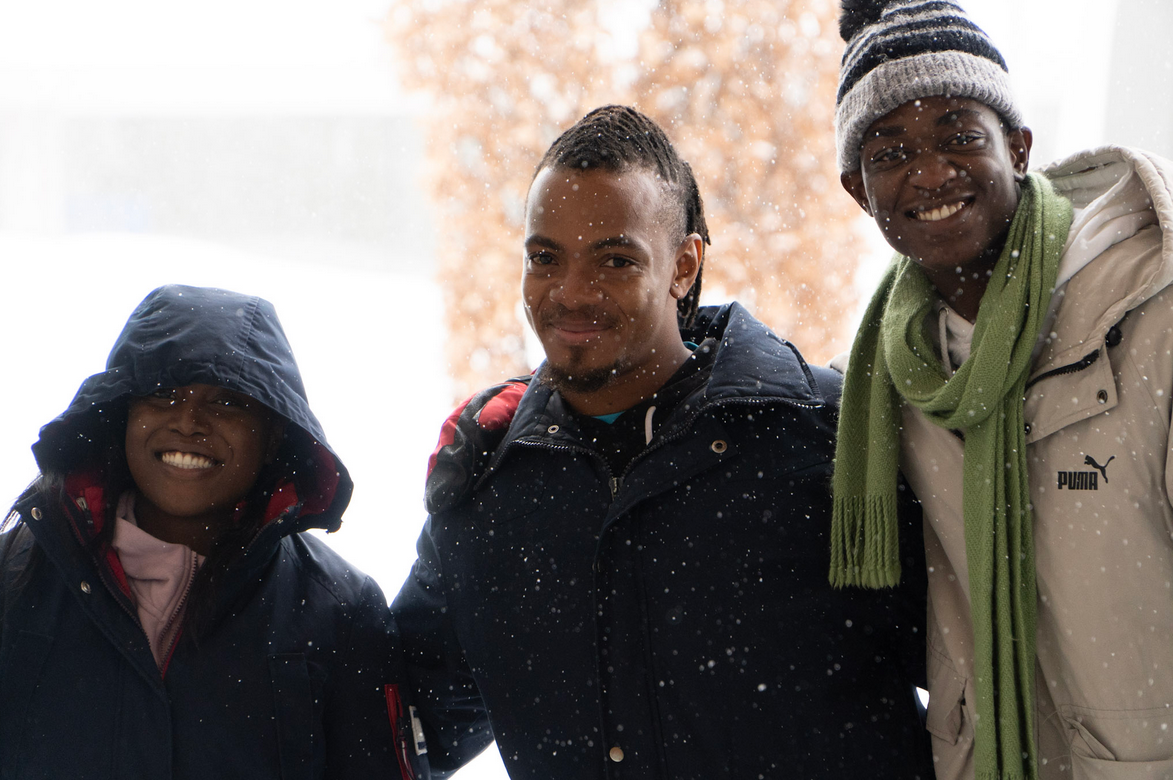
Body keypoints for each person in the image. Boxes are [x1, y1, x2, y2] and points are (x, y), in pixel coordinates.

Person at [393, 105, 931, 780]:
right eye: (543, 258)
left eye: (614, 259)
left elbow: (995, 681)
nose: (571, 291)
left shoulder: (831, 441)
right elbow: (390, 724)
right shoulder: (487, 486)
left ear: (683, 265)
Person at [830, 1, 1173, 778]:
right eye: (889, 153)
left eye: (958, 135)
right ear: (857, 189)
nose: (928, 173)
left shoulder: (1149, 317)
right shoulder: (895, 374)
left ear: (1017, 147)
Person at [0, 285, 426, 780]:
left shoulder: (341, 613)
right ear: (121, 414)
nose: (188, 421)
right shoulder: (15, 580)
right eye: (162, 393)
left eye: (228, 402)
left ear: (273, 439)